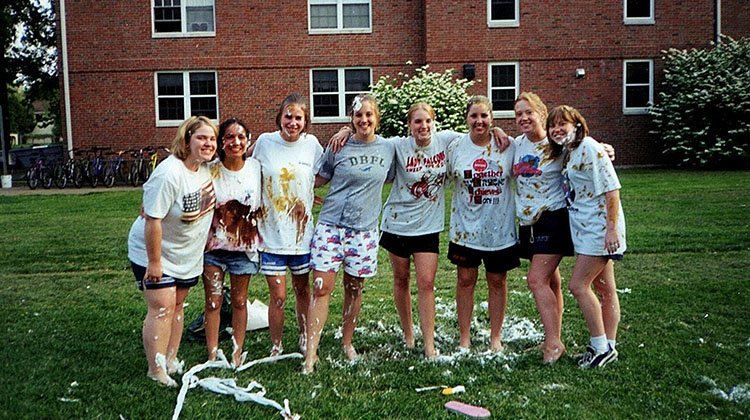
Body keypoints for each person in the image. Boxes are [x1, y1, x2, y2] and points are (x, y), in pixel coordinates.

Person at [303, 94, 396, 373]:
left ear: (377, 119)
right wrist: (303, 193)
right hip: (331, 225)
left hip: (364, 231)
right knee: (321, 287)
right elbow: (320, 177)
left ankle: (347, 342)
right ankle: (311, 353)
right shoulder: (337, 145)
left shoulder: (389, 148)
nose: (363, 120)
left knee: (354, 288)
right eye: (358, 116)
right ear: (351, 119)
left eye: (369, 115)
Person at [127, 116, 217, 387]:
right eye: (201, 137)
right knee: (162, 308)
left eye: (212, 138)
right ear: (186, 140)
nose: (208, 143)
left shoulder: (204, 169)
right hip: (154, 253)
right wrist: (154, 263)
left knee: (177, 305)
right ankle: (155, 369)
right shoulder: (169, 173)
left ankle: (171, 358)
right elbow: (153, 219)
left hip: (186, 255)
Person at [547, 104, 625, 368]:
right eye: (553, 126)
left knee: (578, 286)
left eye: (563, 124)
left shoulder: (590, 147)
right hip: (583, 228)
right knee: (605, 288)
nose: (557, 130)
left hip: (600, 230)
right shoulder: (569, 152)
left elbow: (612, 191)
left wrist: (611, 229)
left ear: (576, 125)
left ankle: (600, 346)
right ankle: (609, 346)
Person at [445, 96, 519, 352]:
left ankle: (495, 337)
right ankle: (464, 337)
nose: (479, 121)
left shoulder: (508, 146)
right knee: (465, 280)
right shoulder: (455, 147)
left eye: (484, 116)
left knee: (497, 281)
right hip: (465, 229)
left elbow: (541, 148)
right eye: (474, 116)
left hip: (499, 230)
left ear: (492, 118)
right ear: (466, 119)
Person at [252, 94, 323, 356]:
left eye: (298, 118)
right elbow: (247, 170)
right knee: (278, 295)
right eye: (288, 116)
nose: (292, 122)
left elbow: (323, 174)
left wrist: (305, 193)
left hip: (301, 235)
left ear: (306, 122)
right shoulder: (264, 142)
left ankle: (305, 337)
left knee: (302, 290)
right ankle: (276, 344)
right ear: (280, 117)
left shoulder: (312, 145)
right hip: (271, 233)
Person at [510, 92, 572, 363]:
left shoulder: (556, 143)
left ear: (542, 114)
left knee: (536, 279)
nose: (523, 118)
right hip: (527, 221)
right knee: (552, 280)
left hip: (553, 217)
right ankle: (553, 338)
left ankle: (553, 344)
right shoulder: (515, 145)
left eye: (529, 112)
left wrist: (603, 148)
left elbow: (582, 146)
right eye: (518, 114)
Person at [202, 117, 262, 368]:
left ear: (248, 140)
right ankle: (213, 354)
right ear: (221, 141)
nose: (235, 142)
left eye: (241, 137)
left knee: (239, 301)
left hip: (244, 249)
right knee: (213, 302)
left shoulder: (257, 168)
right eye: (229, 137)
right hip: (213, 248)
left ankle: (237, 352)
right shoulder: (210, 169)